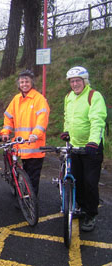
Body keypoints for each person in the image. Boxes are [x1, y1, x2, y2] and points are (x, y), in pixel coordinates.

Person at [61, 66, 107, 232]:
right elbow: (68, 117)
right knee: (76, 180)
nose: (74, 84)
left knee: (90, 182)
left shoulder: (93, 96)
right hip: (75, 146)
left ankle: (91, 213)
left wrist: (93, 141)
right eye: (72, 81)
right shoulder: (69, 97)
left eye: (78, 81)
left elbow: (98, 120)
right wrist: (66, 132)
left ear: (84, 81)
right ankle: (80, 207)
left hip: (91, 148)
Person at [0, 70, 50, 197]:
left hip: (34, 146)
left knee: (32, 177)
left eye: (27, 81)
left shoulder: (39, 99)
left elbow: (42, 119)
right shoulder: (16, 99)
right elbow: (8, 117)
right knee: (21, 173)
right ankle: (23, 196)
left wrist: (36, 134)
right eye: (22, 82)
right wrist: (6, 132)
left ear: (32, 83)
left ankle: (31, 202)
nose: (24, 84)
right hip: (21, 146)